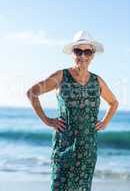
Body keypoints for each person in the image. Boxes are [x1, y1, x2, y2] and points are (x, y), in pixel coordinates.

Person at [26, 30, 119, 191]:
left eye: (87, 52)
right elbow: (32, 93)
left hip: (88, 149)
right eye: (78, 51)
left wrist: (105, 122)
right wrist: (47, 120)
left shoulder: (97, 81)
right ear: (72, 53)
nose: (82, 56)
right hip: (64, 147)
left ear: (92, 55)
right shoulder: (61, 76)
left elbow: (113, 102)